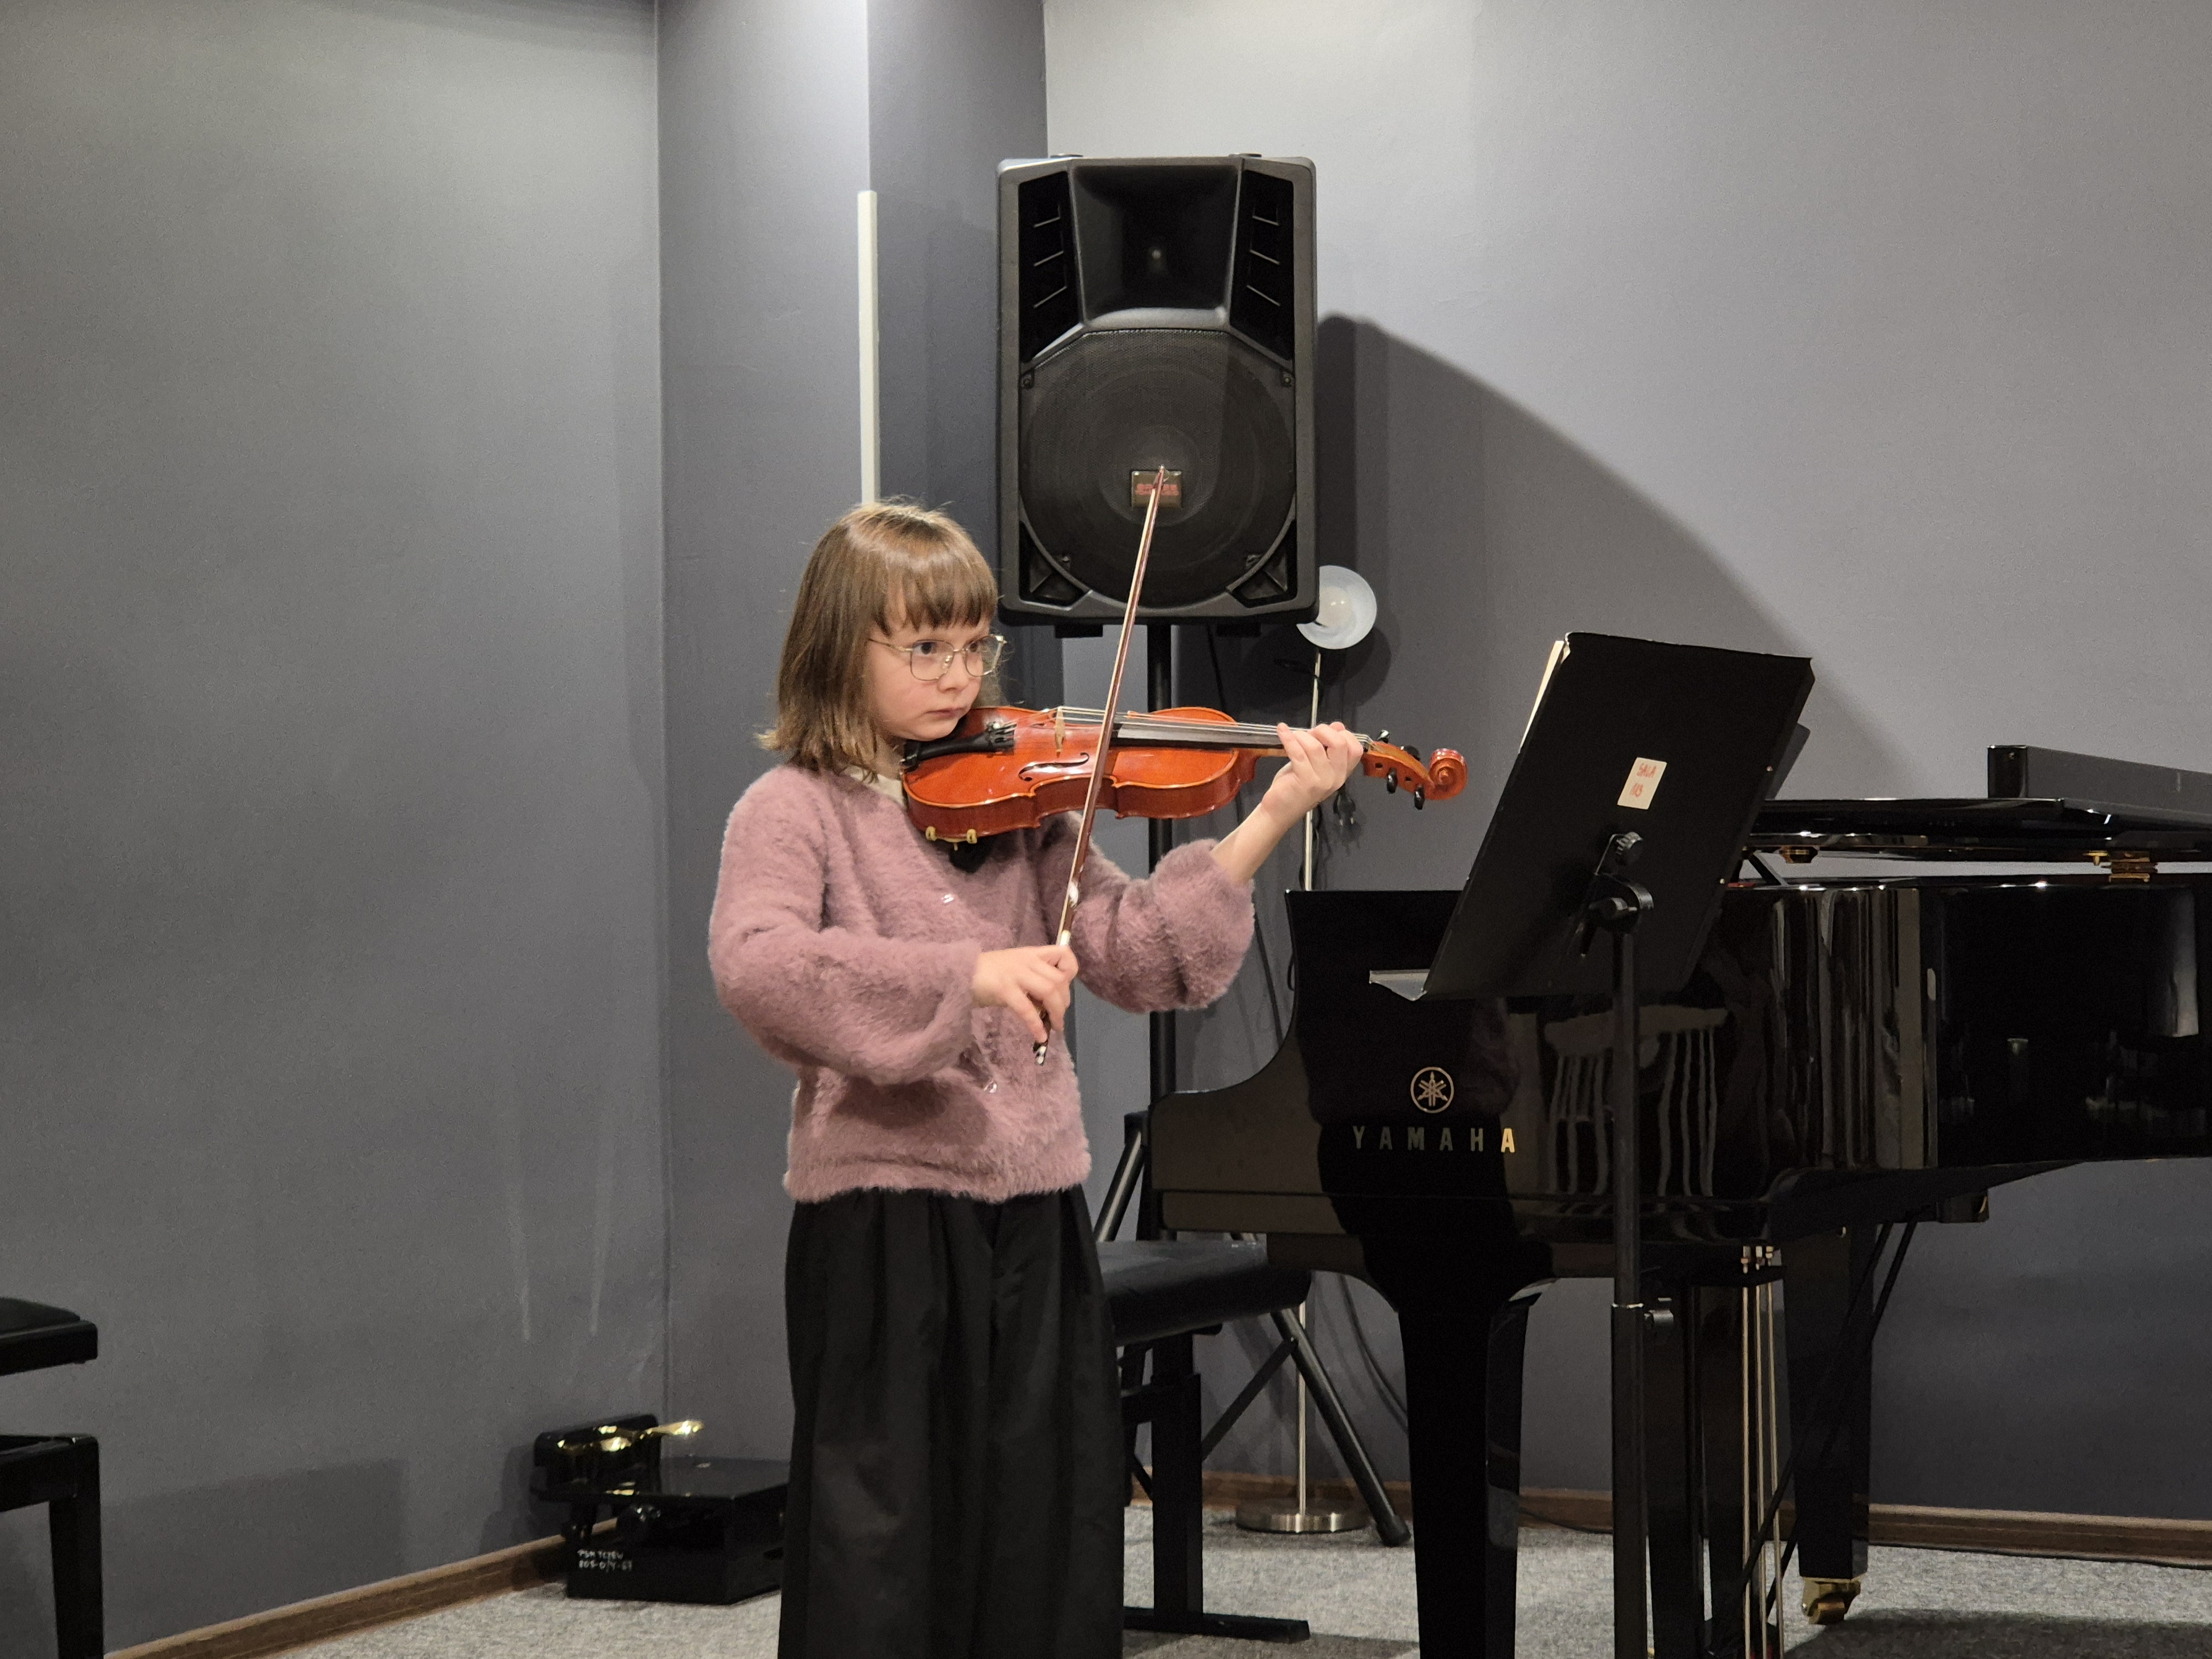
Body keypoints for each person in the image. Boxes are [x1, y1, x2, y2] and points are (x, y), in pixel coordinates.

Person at [708, 501, 1362, 1659]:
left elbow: (1141, 954)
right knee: (882, 1524)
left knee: (1043, 1513)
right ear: (839, 647)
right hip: (884, 1210)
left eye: (974, 647)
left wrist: (1271, 813)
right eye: (924, 648)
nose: (958, 677)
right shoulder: (793, 808)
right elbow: (759, 970)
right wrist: (963, 976)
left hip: (1034, 1206)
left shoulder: (1026, 810)